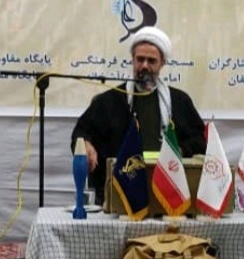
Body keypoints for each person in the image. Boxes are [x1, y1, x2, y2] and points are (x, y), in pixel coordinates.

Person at [71, 27, 206, 206]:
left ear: (162, 63)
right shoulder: (109, 100)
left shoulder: (179, 101)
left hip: (168, 195)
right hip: (118, 193)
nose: (144, 66)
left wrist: (178, 152)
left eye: (152, 61)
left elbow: (199, 141)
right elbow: (81, 132)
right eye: (140, 59)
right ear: (132, 60)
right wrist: (86, 144)